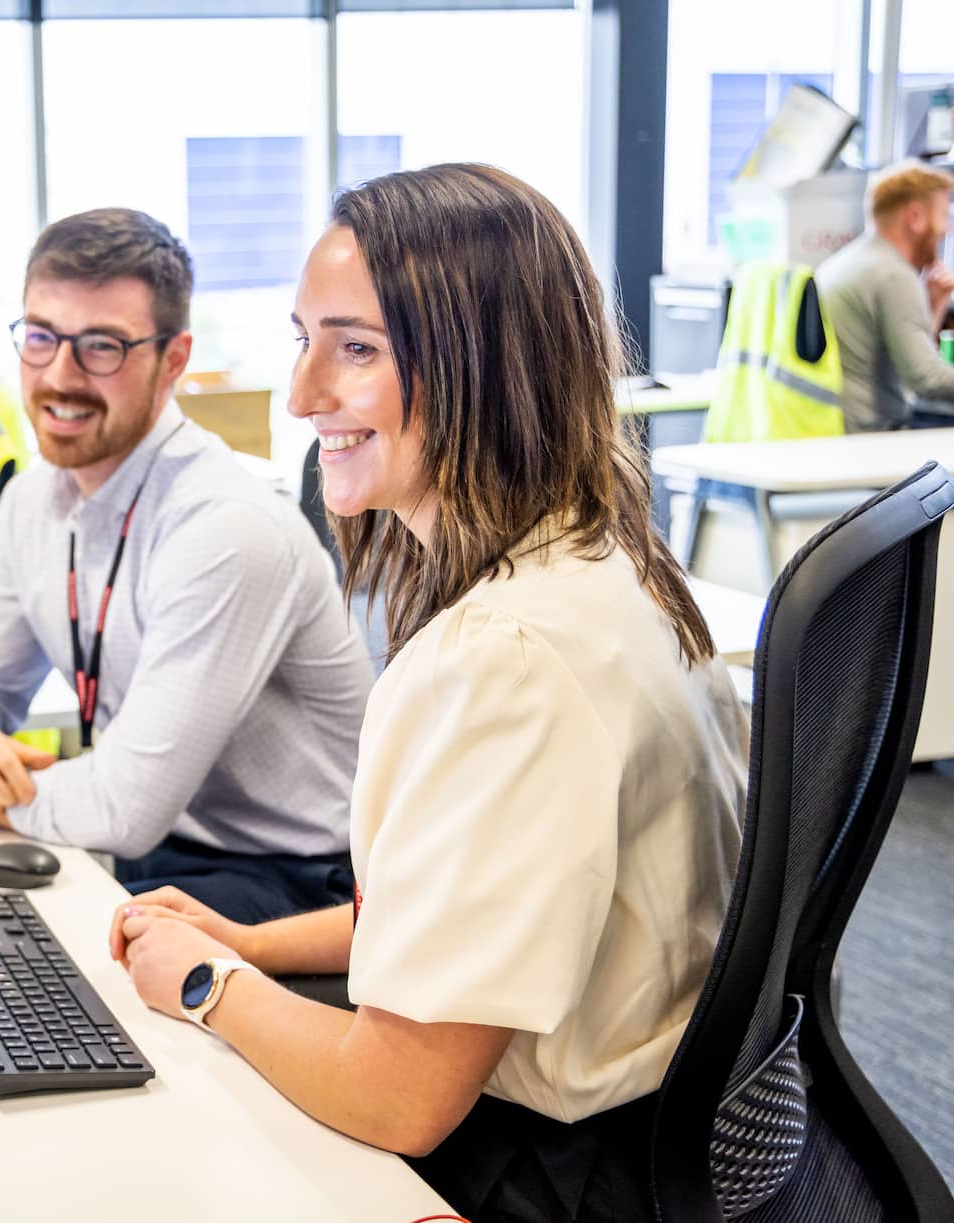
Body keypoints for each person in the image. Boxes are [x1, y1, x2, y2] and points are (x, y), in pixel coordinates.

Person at [108, 165, 748, 1221]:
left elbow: (399, 1094)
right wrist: (254, 942)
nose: (304, 395)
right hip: (639, 1137)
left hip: (546, 1172)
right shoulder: (605, 566)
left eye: (355, 348)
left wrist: (204, 984)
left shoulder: (508, 660)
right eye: (303, 338)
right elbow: (466, 913)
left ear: (484, 370)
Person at [0, 208, 375, 925]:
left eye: (100, 346)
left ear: (172, 360)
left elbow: (122, 807)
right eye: (40, 338)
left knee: (24, 964)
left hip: (297, 884)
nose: (59, 375)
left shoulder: (224, 528)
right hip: (159, 845)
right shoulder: (35, 497)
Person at [816, 161, 954, 431]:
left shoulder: (857, 259)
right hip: (869, 437)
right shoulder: (893, 274)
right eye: (943, 215)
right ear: (915, 217)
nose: (946, 229)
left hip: (839, 427)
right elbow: (926, 380)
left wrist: (934, 305)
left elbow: (908, 366)